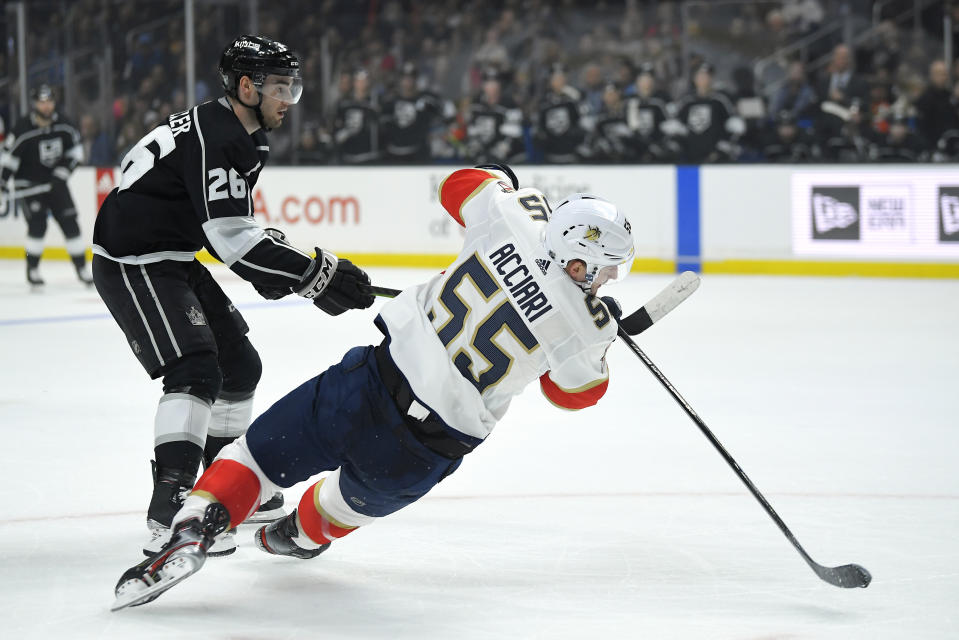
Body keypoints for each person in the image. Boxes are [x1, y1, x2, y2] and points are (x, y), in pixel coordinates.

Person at [110, 163, 637, 610]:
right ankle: (293, 536)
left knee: (253, 459)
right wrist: (602, 336)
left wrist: (504, 181)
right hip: (422, 450)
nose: (610, 279)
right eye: (607, 269)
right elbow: (574, 394)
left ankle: (194, 527)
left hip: (365, 384)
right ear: (579, 258)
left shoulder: (514, 214)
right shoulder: (585, 328)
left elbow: (459, 185)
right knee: (340, 505)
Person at [91, 35, 375, 559]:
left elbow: (220, 224)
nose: (290, 98)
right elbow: (233, 240)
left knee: (240, 368)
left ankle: (229, 485)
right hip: (134, 261)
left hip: (171, 253)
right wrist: (315, 274)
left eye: (294, 85)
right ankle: (170, 504)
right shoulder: (222, 137)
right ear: (246, 87)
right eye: (281, 87)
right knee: (195, 370)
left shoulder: (244, 132)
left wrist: (288, 272)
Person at [0, 84, 89, 287]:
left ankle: (82, 268)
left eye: (49, 101)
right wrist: (2, 185)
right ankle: (32, 269)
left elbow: (76, 153)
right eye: (42, 102)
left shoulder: (65, 125)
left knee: (70, 222)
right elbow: (8, 160)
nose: (47, 106)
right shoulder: (22, 128)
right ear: (35, 104)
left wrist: (61, 174)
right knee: (38, 224)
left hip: (55, 183)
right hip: (28, 184)